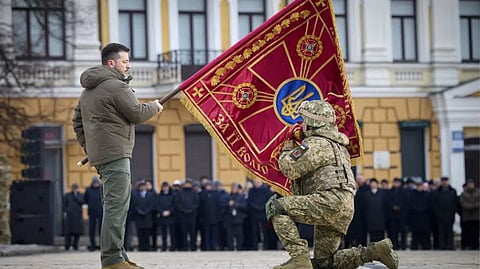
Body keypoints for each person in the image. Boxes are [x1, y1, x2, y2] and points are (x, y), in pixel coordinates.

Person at [267, 100, 398, 269]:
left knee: (275, 207)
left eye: (304, 120)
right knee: (325, 263)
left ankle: (299, 258)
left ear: (313, 123)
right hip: (343, 205)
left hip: (328, 201)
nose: (301, 125)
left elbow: (289, 168)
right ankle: (373, 252)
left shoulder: (317, 143)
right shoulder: (338, 145)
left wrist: (288, 146)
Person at [72, 42, 163, 269]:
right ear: (111, 63)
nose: (128, 66)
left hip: (102, 156)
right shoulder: (115, 86)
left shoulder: (87, 91)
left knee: (114, 204)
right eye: (125, 61)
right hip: (116, 154)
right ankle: (113, 260)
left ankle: (119, 256)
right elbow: (137, 113)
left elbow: (77, 122)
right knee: (116, 206)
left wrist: (90, 148)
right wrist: (155, 106)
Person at [431, 177, 458, 250]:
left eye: (445, 181)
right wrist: (437, 213)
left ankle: (450, 245)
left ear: (448, 182)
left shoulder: (453, 191)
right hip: (440, 215)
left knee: (450, 231)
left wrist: (453, 212)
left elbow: (455, 203)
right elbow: (434, 204)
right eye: (443, 181)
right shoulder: (436, 192)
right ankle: (442, 246)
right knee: (441, 232)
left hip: (450, 214)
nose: (444, 182)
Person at [174, 179, 199, 251]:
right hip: (183, 215)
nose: (187, 185)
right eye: (186, 183)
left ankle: (193, 246)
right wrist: (183, 210)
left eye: (189, 183)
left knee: (192, 232)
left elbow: (196, 203)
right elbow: (178, 203)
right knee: (183, 232)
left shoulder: (194, 192)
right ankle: (184, 247)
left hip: (192, 215)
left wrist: (191, 210)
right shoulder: (180, 192)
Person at [247, 179, 272, 250]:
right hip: (254, 213)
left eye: (258, 182)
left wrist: (262, 207)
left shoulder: (266, 190)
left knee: (264, 230)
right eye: (255, 182)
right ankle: (255, 246)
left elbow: (268, 201)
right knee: (254, 230)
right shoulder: (251, 191)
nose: (257, 183)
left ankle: (266, 246)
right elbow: (249, 201)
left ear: (261, 183)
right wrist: (256, 207)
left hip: (263, 212)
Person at [222, 183, 247, 250]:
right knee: (229, 234)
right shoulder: (227, 196)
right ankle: (231, 247)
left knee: (239, 234)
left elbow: (244, 206)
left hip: (238, 218)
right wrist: (228, 204)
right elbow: (223, 205)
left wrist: (235, 204)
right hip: (229, 218)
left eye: (235, 188)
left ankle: (239, 247)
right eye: (233, 188)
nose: (234, 190)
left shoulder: (241, 196)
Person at [407, 181, 431, 250]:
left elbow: (429, 204)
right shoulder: (412, 194)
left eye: (421, 186)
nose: (420, 187)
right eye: (419, 186)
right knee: (415, 235)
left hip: (425, 217)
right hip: (415, 217)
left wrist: (423, 209)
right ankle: (414, 247)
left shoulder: (427, 194)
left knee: (425, 234)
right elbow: (410, 204)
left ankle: (426, 247)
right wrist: (417, 209)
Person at [132, 181, 156, 251]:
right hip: (139, 217)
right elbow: (135, 205)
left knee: (147, 233)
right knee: (140, 233)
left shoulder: (150, 195)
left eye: (143, 186)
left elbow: (151, 204)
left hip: (147, 217)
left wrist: (146, 211)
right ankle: (141, 247)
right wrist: (139, 211)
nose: (142, 187)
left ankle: (147, 247)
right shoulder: (136, 195)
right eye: (141, 186)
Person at [385, 178, 407, 250]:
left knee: (403, 231)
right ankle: (395, 246)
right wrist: (393, 207)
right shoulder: (390, 192)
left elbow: (406, 201)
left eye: (398, 182)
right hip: (392, 215)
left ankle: (403, 246)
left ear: (400, 183)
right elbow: (387, 201)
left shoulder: (404, 191)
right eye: (395, 182)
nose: (396, 184)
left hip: (402, 215)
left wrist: (400, 207)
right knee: (393, 232)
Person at [363, 178, 387, 243]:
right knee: (372, 237)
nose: (373, 184)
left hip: (381, 218)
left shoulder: (382, 193)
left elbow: (385, 206)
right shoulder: (366, 194)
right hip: (371, 219)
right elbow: (365, 207)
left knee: (381, 237)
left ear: (377, 184)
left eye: (374, 183)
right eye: (372, 183)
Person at [199, 181, 220, 250]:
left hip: (214, 217)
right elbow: (200, 206)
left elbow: (218, 205)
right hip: (205, 218)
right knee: (206, 233)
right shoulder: (202, 194)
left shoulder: (215, 194)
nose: (208, 187)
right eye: (207, 186)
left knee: (214, 233)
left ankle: (213, 246)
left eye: (210, 186)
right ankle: (207, 246)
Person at [459, 179, 479, 250]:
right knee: (468, 232)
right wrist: (470, 206)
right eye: (469, 184)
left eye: (471, 184)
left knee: (476, 232)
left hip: (476, 216)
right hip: (467, 216)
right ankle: (469, 245)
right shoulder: (463, 193)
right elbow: (462, 202)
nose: (470, 185)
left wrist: (474, 206)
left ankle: (476, 245)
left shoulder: (478, 192)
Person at [64, 183, 85, 251]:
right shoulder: (68, 195)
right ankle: (67, 245)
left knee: (77, 232)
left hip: (78, 216)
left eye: (76, 188)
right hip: (70, 215)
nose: (75, 189)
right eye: (74, 188)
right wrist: (66, 210)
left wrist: (76, 196)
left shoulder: (80, 195)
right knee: (68, 232)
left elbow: (82, 202)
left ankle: (75, 245)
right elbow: (65, 204)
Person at [84, 176, 103, 251]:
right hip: (92, 212)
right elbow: (85, 199)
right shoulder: (88, 190)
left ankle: (102, 245)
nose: (96, 184)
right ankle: (92, 244)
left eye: (97, 183)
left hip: (101, 212)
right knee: (91, 229)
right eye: (94, 183)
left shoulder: (101, 189)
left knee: (101, 229)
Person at [157, 182, 175, 251]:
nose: (165, 188)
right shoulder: (159, 196)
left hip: (171, 216)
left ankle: (172, 247)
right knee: (163, 233)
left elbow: (174, 205)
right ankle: (164, 246)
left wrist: (169, 211)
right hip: (162, 217)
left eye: (166, 186)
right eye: (164, 187)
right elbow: (157, 205)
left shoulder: (172, 195)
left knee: (172, 233)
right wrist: (162, 212)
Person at [145, 180, 158, 250]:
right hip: (146, 215)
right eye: (146, 185)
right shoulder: (144, 194)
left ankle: (154, 245)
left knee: (154, 231)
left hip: (153, 215)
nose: (147, 186)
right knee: (147, 232)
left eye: (149, 185)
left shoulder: (154, 193)